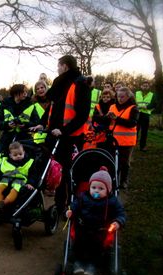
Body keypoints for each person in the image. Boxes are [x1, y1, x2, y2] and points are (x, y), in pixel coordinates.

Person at [31, 55, 91, 213]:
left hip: (71, 137)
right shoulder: (59, 83)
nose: (57, 69)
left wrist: (64, 130)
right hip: (54, 134)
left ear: (64, 66)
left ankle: (71, 206)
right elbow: (52, 107)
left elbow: (82, 114)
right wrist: (42, 123)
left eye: (58, 66)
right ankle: (58, 205)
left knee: (69, 172)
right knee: (54, 169)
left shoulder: (80, 83)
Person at [66, 166, 126, 275]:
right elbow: (74, 205)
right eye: (93, 187)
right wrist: (70, 211)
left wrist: (118, 222)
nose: (96, 191)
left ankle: (92, 265)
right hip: (82, 227)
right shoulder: (83, 196)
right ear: (89, 187)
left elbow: (121, 213)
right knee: (79, 244)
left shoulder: (112, 201)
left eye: (101, 189)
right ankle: (78, 262)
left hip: (100, 230)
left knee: (97, 247)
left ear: (108, 190)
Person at [0, 84, 41, 156]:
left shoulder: (30, 104)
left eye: (26, 92)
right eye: (23, 92)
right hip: (7, 139)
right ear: (16, 93)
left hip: (24, 138)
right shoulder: (5, 104)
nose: (26, 94)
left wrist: (25, 125)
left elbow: (37, 122)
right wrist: (7, 124)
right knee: (0, 158)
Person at [106, 87, 139, 189]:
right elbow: (108, 122)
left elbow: (132, 123)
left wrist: (117, 119)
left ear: (128, 97)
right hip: (113, 140)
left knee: (124, 163)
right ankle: (113, 180)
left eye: (122, 97)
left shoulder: (133, 108)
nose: (120, 99)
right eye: (118, 96)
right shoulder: (112, 107)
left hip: (127, 141)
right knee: (113, 162)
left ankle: (123, 181)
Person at [0, 141, 38, 213]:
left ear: (24, 152)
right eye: (15, 155)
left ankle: (3, 204)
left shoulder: (29, 162)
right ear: (10, 155)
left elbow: (33, 174)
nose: (18, 156)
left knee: (14, 190)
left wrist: (30, 183)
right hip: (6, 178)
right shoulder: (6, 161)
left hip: (20, 180)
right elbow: (1, 169)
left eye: (20, 154)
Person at [135, 80, 156, 151]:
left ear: (149, 87)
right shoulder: (136, 93)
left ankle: (142, 146)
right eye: (144, 86)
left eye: (146, 86)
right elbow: (133, 102)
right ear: (141, 86)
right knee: (135, 130)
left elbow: (154, 104)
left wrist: (146, 107)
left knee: (144, 131)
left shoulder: (152, 94)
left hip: (146, 114)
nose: (145, 87)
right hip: (137, 114)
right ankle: (133, 145)